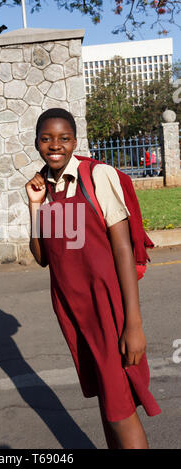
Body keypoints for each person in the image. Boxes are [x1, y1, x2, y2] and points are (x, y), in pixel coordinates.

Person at [25, 108, 160, 449]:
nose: (55, 145)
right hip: (74, 311)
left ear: (75, 141)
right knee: (107, 402)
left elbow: (123, 251)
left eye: (64, 138)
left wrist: (134, 324)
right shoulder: (45, 185)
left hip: (107, 310)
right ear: (37, 142)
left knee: (119, 410)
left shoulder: (96, 176)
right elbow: (43, 258)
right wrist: (35, 206)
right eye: (46, 138)